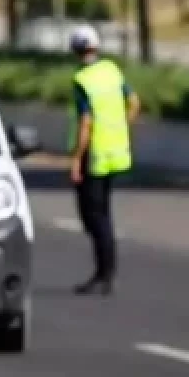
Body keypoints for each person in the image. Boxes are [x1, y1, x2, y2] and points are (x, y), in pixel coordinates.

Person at [68, 25, 140, 296]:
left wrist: (76, 160)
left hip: (94, 154)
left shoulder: (82, 79)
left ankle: (104, 274)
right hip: (115, 151)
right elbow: (134, 102)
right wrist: (121, 128)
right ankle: (105, 273)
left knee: (94, 217)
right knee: (103, 214)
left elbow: (85, 122)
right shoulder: (111, 70)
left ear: (75, 50)